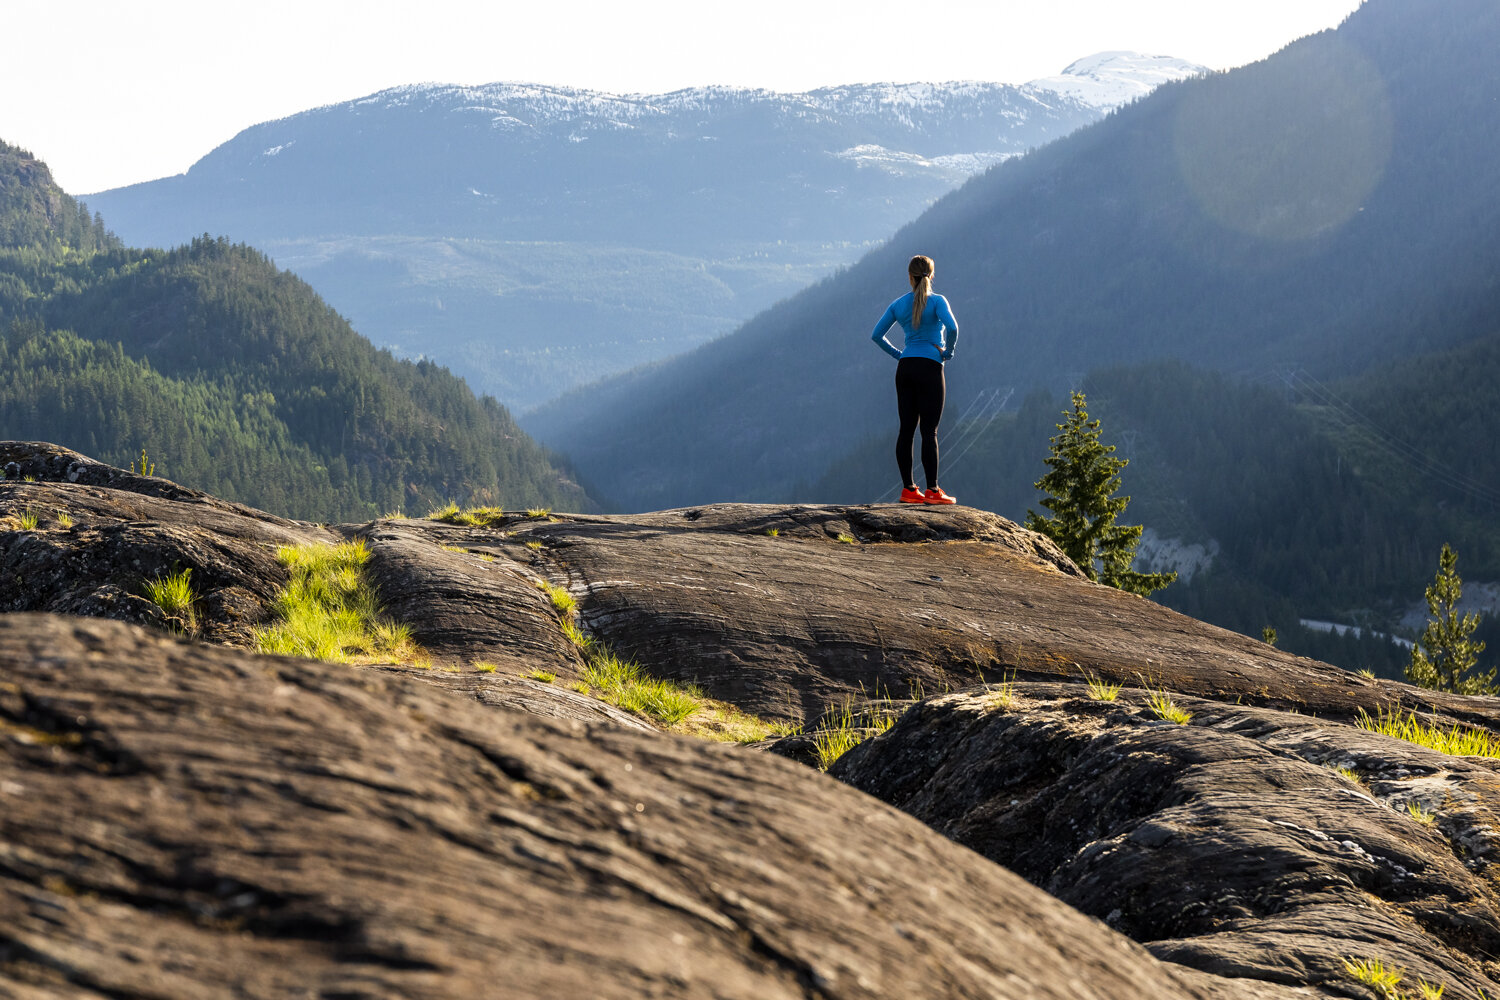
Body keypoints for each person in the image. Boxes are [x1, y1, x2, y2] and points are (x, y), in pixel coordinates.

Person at [870, 254, 959, 504]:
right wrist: (948, 352)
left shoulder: (898, 304)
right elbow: (952, 329)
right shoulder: (938, 302)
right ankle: (932, 491)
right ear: (931, 276)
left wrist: (900, 354)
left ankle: (909, 490)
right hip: (930, 366)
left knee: (906, 430)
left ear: (909, 277)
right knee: (928, 431)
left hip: (906, 368)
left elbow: (876, 335)